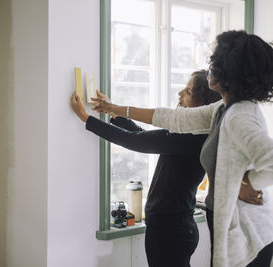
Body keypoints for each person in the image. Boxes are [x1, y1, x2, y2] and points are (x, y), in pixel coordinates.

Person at [90, 31, 273, 267]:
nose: (210, 67)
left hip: (249, 240)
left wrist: (246, 181)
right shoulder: (222, 108)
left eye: (216, 62)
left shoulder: (240, 116)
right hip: (229, 232)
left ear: (232, 72)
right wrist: (115, 108)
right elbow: (174, 118)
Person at [71, 70, 261, 267]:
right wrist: (114, 113)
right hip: (173, 229)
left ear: (202, 102)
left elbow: (136, 141)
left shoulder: (193, 137)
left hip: (171, 232)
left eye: (187, 91)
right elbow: (143, 137)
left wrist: (86, 119)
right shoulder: (190, 134)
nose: (180, 94)